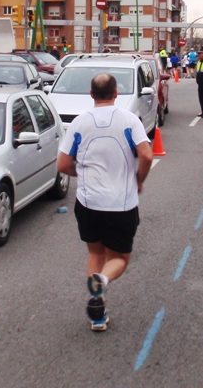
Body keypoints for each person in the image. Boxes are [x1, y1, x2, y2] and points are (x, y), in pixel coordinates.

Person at [57, 73, 154, 332]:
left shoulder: (79, 123)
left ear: (91, 94)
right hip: (121, 203)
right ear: (115, 94)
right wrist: (138, 179)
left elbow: (63, 164)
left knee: (95, 252)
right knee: (119, 259)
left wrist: (84, 173)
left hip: (88, 202)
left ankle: (97, 315)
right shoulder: (128, 119)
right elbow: (146, 155)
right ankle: (102, 280)